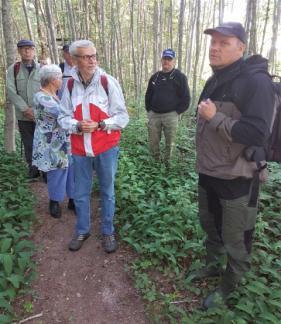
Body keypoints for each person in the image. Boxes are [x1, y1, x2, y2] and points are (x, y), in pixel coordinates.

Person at [193, 22, 274, 309]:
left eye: (223, 43)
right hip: (209, 170)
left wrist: (215, 118)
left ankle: (232, 283)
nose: (214, 47)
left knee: (236, 235)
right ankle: (213, 265)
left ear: (240, 47)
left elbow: (257, 133)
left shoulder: (257, 82)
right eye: (213, 42)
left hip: (237, 175)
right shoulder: (215, 78)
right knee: (210, 223)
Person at [58, 40, 129, 253]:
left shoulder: (108, 82)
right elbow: (62, 117)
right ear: (74, 60)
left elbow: (122, 117)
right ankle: (82, 229)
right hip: (80, 150)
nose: (92, 60)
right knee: (80, 193)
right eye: (86, 57)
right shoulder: (69, 85)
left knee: (107, 191)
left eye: (94, 55)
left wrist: (100, 124)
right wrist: (77, 125)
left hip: (106, 148)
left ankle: (107, 231)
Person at [32, 64, 75, 218]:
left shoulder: (55, 94)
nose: (61, 80)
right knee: (57, 171)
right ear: (52, 79)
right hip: (51, 142)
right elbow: (61, 113)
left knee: (70, 169)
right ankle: (54, 201)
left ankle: (72, 199)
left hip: (64, 140)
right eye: (59, 77)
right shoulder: (41, 97)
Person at [145, 48, 190, 164]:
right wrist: (149, 110)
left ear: (174, 61)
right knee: (153, 142)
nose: (166, 61)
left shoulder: (180, 77)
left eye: (169, 59)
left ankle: (168, 165)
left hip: (171, 115)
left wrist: (177, 112)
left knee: (170, 143)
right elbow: (148, 95)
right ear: (161, 60)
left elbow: (186, 98)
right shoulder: (155, 77)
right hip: (154, 115)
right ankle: (155, 164)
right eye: (165, 59)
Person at [6, 39, 41, 178]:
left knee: (43, 141)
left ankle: (45, 170)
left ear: (34, 51)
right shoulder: (13, 69)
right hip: (23, 115)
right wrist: (26, 109)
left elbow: (48, 89)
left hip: (41, 114)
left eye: (30, 48)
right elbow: (11, 91)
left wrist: (38, 110)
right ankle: (33, 170)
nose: (27, 51)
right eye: (24, 49)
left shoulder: (43, 68)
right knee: (28, 142)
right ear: (19, 51)